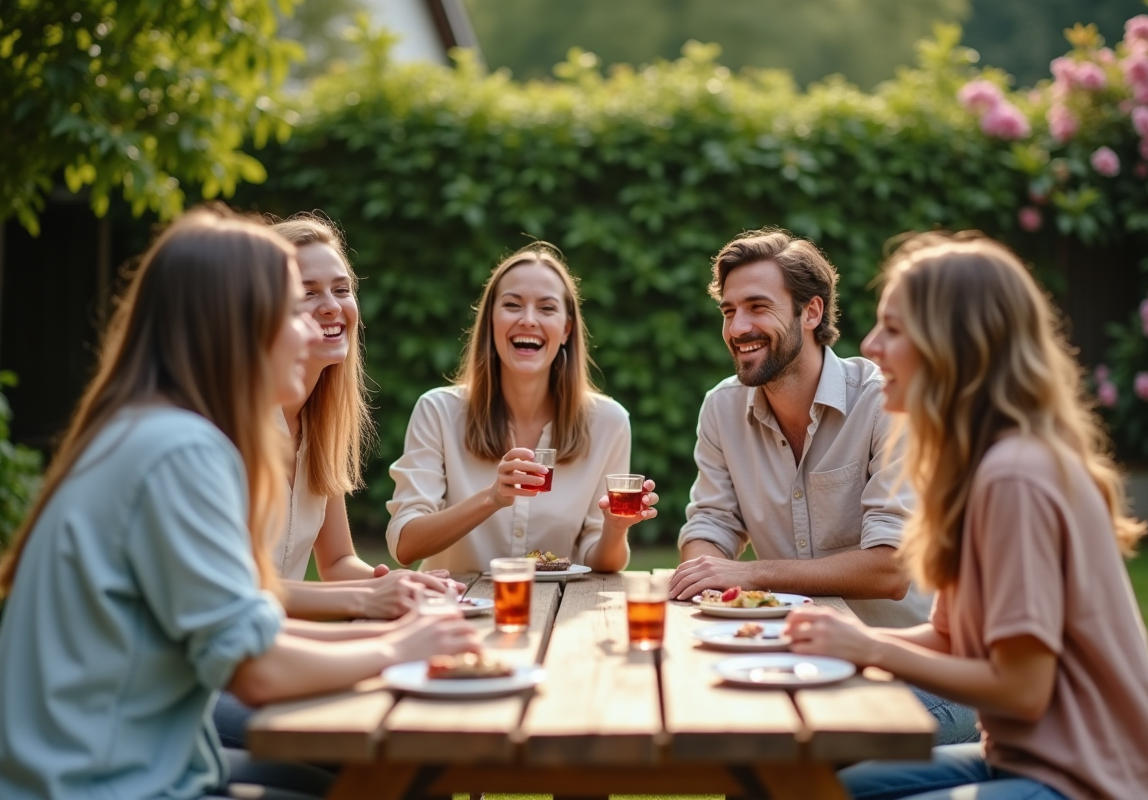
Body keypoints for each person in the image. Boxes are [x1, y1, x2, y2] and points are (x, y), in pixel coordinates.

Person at [0, 209, 478, 800]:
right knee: (396, 774)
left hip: (145, 766)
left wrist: (404, 633)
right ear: (233, 326)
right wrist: (398, 647)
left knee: (394, 771)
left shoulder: (150, 431)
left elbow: (247, 633)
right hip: (103, 784)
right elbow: (256, 670)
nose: (311, 332)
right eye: (291, 309)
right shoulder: (182, 451)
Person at [785, 233, 1148, 800]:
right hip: (1023, 758)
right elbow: (952, 638)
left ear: (957, 344)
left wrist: (870, 651)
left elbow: (1023, 689)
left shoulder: (1014, 477)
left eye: (895, 329)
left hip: (1098, 777)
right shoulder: (973, 468)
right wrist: (841, 638)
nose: (871, 345)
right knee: (812, 788)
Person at [669, 228, 977, 745]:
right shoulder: (721, 408)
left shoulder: (885, 402)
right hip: (799, 662)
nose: (738, 327)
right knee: (726, 730)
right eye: (728, 311)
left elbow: (891, 568)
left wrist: (751, 576)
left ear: (811, 313)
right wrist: (707, 574)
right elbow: (711, 525)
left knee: (791, 749)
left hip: (925, 671)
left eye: (757, 307)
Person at [386, 244, 658, 573]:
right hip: (455, 613)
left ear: (566, 329)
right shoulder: (438, 412)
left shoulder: (609, 423)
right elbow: (405, 545)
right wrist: (491, 498)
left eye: (546, 308)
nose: (528, 320)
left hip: (559, 614)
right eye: (513, 305)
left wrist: (615, 528)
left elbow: (600, 561)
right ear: (491, 321)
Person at [266, 213, 458, 621]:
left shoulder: (320, 423)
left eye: (342, 290)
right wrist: (370, 599)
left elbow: (336, 561)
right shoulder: (235, 425)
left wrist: (398, 584)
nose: (333, 307)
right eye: (308, 293)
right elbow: (239, 591)